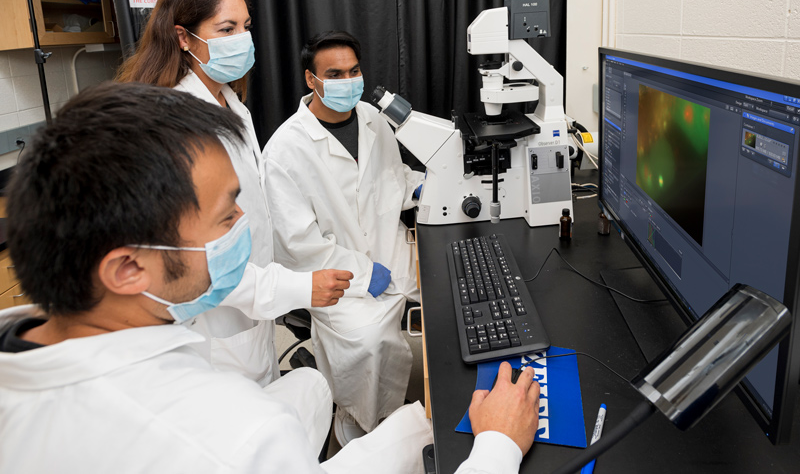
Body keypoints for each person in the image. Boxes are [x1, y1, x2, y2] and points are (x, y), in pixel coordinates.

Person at [0, 83, 540, 474]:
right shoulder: (228, 435)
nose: (245, 228)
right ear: (127, 269)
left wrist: (415, 425)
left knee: (309, 386)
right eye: (226, 216)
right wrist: (496, 447)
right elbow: (238, 447)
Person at [117, 0, 350, 385]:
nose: (242, 39)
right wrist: (295, 289)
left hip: (250, 304)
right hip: (211, 322)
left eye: (245, 27)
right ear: (184, 38)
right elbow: (199, 257)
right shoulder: (177, 124)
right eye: (226, 29)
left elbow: (251, 211)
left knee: (262, 388)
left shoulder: (230, 103)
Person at [264, 31, 425, 443]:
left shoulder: (371, 117)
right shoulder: (286, 149)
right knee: (368, 342)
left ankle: (431, 407)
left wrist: (425, 187)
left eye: (354, 71)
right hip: (340, 278)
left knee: (453, 303)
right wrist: (362, 271)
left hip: (395, 251)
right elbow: (298, 244)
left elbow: (391, 179)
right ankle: (358, 430)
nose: (347, 81)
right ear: (310, 80)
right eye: (334, 74)